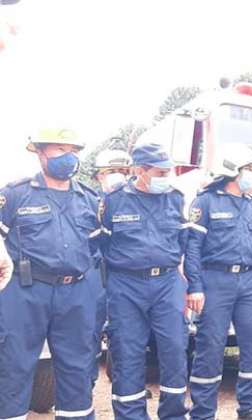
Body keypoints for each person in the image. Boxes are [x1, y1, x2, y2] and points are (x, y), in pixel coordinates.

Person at [0, 128, 100, 419]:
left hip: (77, 292)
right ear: (40, 153)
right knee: (15, 365)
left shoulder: (90, 200)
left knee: (77, 368)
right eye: (59, 150)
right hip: (26, 291)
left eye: (73, 150)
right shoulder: (14, 195)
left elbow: (100, 248)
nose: (68, 157)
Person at [185, 144, 252, 420]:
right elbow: (192, 249)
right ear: (232, 171)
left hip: (248, 281)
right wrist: (195, 286)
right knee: (210, 346)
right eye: (248, 169)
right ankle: (202, 412)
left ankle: (250, 408)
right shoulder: (205, 202)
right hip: (215, 280)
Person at [99, 142, 189, 419]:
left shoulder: (175, 198)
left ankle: (173, 414)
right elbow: (102, 246)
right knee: (128, 352)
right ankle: (131, 415)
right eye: (159, 172)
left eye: (168, 171)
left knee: (175, 348)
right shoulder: (113, 201)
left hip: (167, 283)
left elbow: (183, 241)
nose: (166, 177)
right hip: (126, 285)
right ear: (140, 170)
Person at [89, 148, 133, 387]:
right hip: (93, 278)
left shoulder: (134, 204)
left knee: (124, 333)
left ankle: (122, 381)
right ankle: (85, 387)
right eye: (112, 171)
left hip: (122, 280)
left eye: (123, 171)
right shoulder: (89, 202)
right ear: (99, 176)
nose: (118, 176)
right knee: (89, 335)